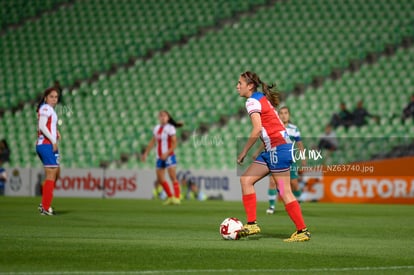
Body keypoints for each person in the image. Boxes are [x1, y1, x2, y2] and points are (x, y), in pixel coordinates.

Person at [236, 71, 310, 242]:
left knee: (284, 191)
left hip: (278, 149)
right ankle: (252, 224)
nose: (237, 86)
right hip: (273, 150)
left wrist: (244, 151)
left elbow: (256, 129)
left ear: (250, 86)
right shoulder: (261, 97)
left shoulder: (252, 101)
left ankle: (302, 231)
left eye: (240, 83)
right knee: (246, 180)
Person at [265, 106, 307, 215]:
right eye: (281, 113)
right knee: (273, 182)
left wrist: (303, 159)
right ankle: (271, 206)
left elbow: (300, 145)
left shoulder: (294, 129)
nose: (284, 115)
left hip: (289, 160)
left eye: (286, 113)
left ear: (289, 115)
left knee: (294, 184)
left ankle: (298, 202)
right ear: (278, 115)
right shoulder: (274, 128)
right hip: (275, 159)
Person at [142, 111, 183, 205]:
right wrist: (146, 153)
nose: (162, 117)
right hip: (159, 157)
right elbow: (152, 142)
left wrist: (167, 153)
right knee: (160, 179)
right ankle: (170, 197)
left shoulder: (171, 128)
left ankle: (177, 197)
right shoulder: (156, 128)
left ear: (168, 118)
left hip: (169, 156)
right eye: (161, 116)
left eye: (164, 116)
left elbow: (174, 143)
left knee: (172, 176)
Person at [36, 87, 61, 216]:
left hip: (44, 144)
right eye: (51, 96)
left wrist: (55, 132)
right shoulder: (46, 108)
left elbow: (45, 125)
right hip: (47, 144)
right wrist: (53, 140)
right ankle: (45, 207)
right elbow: (41, 125)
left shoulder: (48, 109)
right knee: (51, 175)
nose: (54, 99)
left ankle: (44, 203)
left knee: (56, 172)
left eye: (56, 97)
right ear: (46, 97)